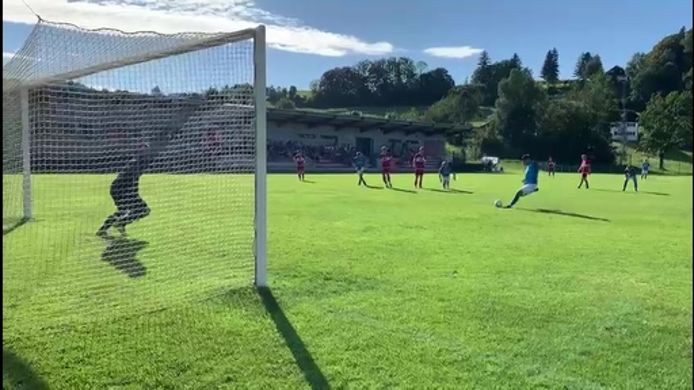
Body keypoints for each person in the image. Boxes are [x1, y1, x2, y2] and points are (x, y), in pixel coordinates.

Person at [97, 98, 202, 237]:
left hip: (118, 188)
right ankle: (119, 224)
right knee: (142, 210)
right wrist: (172, 130)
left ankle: (105, 229)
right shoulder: (140, 161)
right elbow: (156, 145)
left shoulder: (137, 161)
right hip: (122, 189)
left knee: (124, 210)